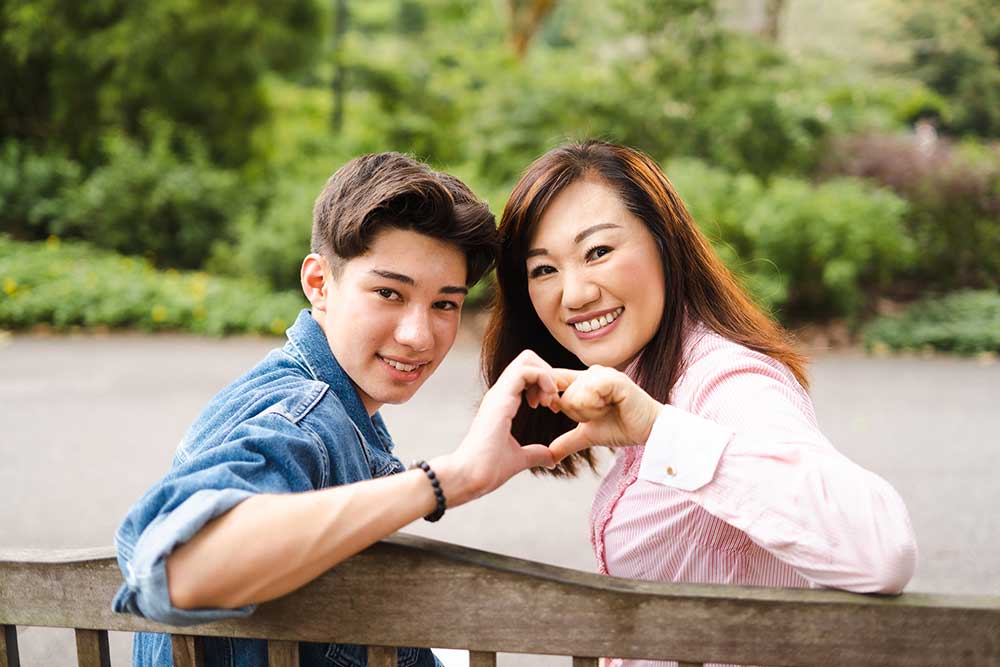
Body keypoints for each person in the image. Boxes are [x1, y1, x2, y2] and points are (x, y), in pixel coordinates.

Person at [113, 152, 561, 666]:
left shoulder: (325, 406)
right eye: (389, 293)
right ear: (320, 284)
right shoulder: (303, 416)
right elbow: (177, 570)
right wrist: (445, 480)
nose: (419, 336)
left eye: (445, 304)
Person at [482, 140, 918, 666]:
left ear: (666, 245)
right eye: (544, 269)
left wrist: (662, 430)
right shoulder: (644, 377)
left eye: (598, 252)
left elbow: (882, 552)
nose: (573, 294)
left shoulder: (728, 381)